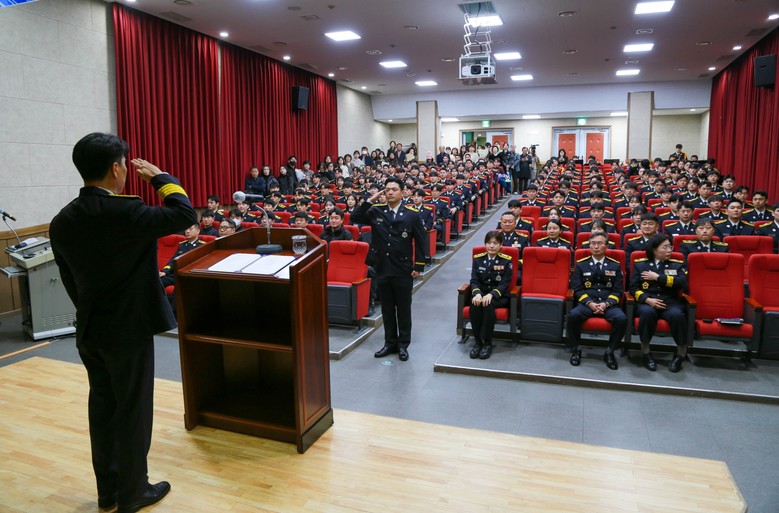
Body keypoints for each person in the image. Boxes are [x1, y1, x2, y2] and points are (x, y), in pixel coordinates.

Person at [50, 133, 196, 512]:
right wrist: (160, 177)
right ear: (116, 168)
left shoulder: (62, 220)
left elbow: (69, 278)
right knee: (133, 409)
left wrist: (90, 311)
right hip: (128, 329)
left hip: (90, 327)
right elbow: (185, 214)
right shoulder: (127, 212)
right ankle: (134, 492)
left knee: (102, 408)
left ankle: (109, 491)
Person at [350, 177, 428, 361]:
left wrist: (419, 265)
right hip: (383, 267)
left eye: (394, 189)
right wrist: (370, 200)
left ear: (402, 192)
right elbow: (354, 217)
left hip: (402, 268)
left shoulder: (411, 214)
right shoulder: (376, 211)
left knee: (403, 308)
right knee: (386, 308)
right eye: (387, 189)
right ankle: (390, 343)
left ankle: (403, 344)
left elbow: (421, 240)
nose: (390, 192)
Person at [566, 232, 626, 369]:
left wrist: (606, 304)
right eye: (593, 243)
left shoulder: (615, 266)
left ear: (606, 246)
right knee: (573, 316)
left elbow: (618, 290)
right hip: (588, 303)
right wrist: (590, 303)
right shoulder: (581, 264)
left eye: (599, 243)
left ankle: (610, 351)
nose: (596, 246)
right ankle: (576, 349)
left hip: (608, 304)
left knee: (621, 319)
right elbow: (577, 288)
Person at [629, 234, 688, 372]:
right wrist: (647, 300)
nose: (669, 250)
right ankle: (646, 352)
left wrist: (658, 277)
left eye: (670, 247)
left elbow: (681, 283)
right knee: (647, 313)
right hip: (648, 301)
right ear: (654, 249)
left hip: (670, 302)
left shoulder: (676, 264)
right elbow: (633, 288)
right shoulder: (641, 264)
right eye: (665, 247)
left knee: (677, 316)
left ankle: (681, 354)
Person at [468, 231, 513, 360]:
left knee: (487, 305)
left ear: (501, 245)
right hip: (481, 294)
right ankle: (477, 342)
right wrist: (477, 293)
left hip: (499, 296)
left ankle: (487, 343)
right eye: (488, 243)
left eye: (495, 243)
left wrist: (492, 295)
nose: (491, 246)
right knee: (475, 304)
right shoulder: (478, 259)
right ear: (485, 244)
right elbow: (474, 280)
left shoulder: (506, 261)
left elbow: (505, 283)